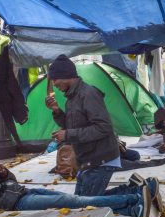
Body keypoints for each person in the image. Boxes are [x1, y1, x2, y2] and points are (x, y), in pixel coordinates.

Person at [0, 158, 155, 217]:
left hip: (19, 191)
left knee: (75, 198)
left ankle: (129, 202)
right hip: (15, 205)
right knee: (74, 201)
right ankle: (133, 198)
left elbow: (8, 182)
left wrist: (4, 174)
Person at [44, 54, 122, 197]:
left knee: (86, 204)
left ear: (66, 76)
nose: (54, 84)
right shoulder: (71, 98)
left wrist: (67, 135)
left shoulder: (88, 94)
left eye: (55, 79)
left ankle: (135, 197)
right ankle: (133, 193)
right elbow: (71, 125)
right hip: (86, 160)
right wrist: (56, 110)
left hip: (101, 159)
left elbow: (104, 127)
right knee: (80, 202)